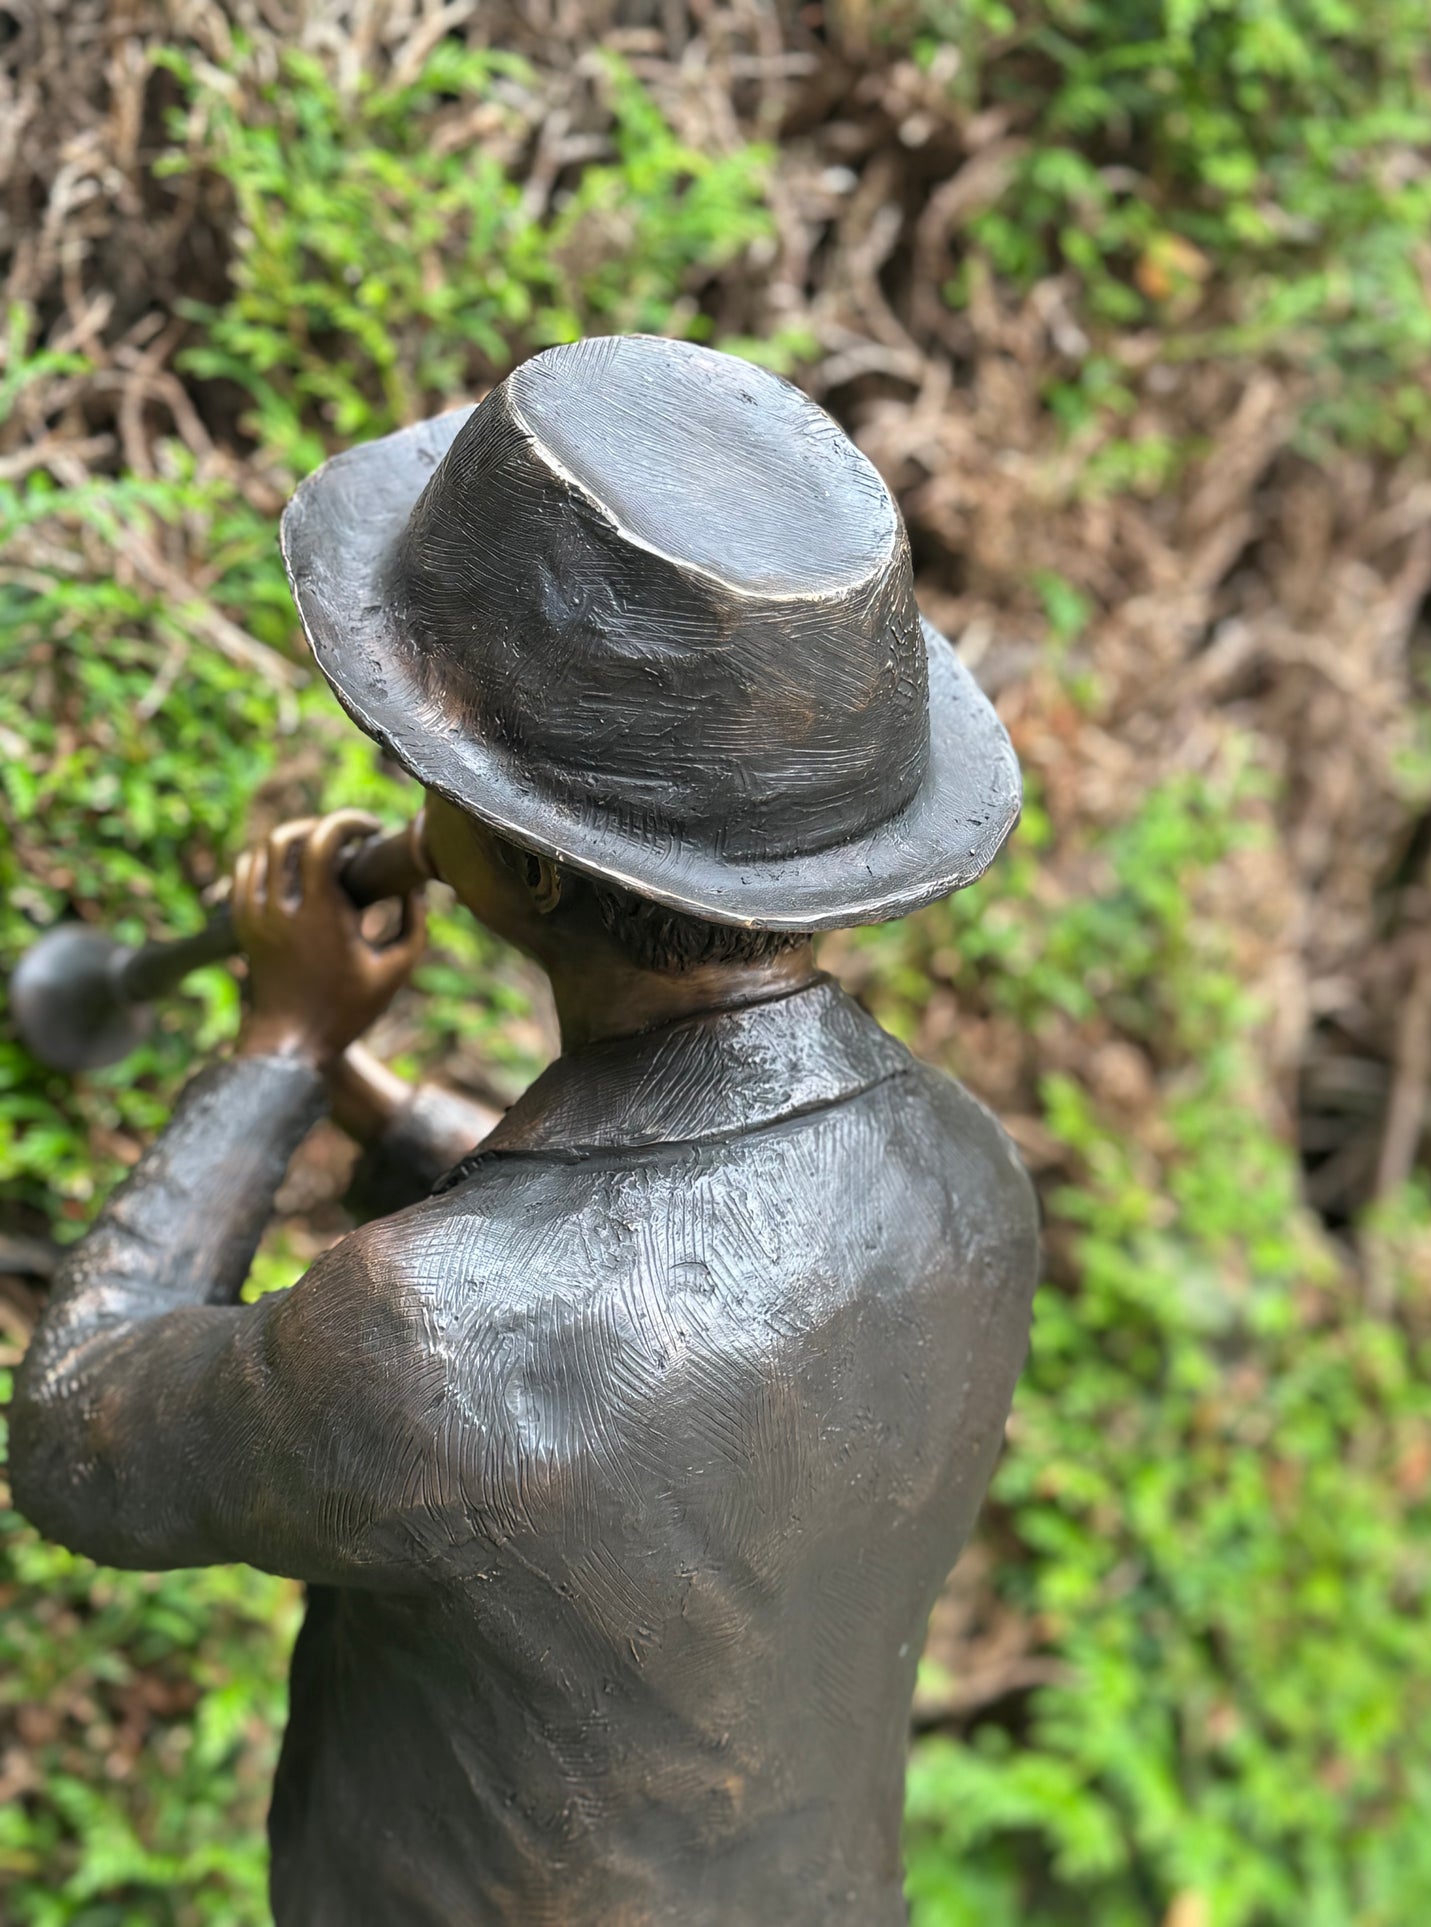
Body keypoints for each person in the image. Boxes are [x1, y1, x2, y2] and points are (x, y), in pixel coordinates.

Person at [12, 335, 1039, 1926]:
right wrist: (398, 1116)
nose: (395, 772)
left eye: (430, 763)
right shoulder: (964, 1179)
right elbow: (679, 1307)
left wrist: (278, 1051)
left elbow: (78, 1433)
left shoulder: (431, 1337)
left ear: (539, 871)